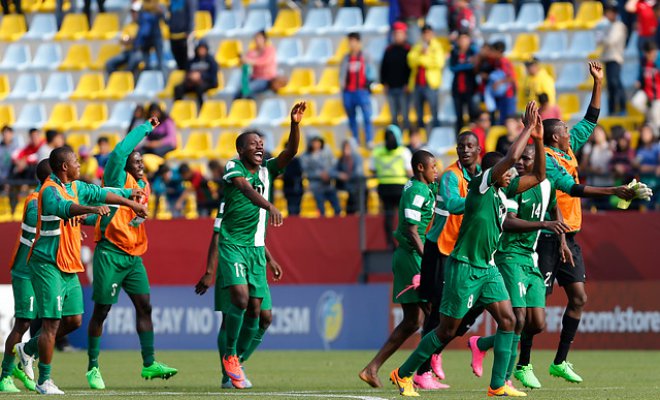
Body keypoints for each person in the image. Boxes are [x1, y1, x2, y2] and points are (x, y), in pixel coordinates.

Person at [389, 101, 546, 398]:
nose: (513, 174)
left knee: (509, 320)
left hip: (487, 269)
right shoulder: (482, 185)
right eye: (508, 171)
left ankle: (498, 384)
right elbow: (512, 156)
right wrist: (526, 127)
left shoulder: (502, 191)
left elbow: (538, 176)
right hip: (464, 268)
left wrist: (537, 140)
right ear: (494, 172)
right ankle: (404, 373)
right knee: (446, 330)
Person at [516, 63, 639, 388]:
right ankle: (523, 364)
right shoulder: (550, 162)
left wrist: (597, 82)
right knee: (534, 311)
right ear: (555, 137)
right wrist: (612, 190)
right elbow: (573, 189)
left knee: (579, 298)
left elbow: (591, 118)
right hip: (545, 238)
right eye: (567, 132)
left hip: (568, 236)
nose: (573, 133)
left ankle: (559, 362)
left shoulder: (568, 150)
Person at [13, 146, 148, 395]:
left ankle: (28, 349)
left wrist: (130, 199)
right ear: (64, 167)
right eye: (75, 161)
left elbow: (102, 192)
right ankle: (45, 380)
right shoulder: (48, 191)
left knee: (74, 320)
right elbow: (65, 209)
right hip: (47, 263)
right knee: (51, 323)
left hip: (69, 263)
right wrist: (91, 209)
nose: (79, 164)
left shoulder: (76, 187)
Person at [213, 102, 305, 388]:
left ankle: (236, 363)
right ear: (241, 149)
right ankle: (229, 357)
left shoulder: (268, 169)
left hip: (255, 250)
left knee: (262, 314)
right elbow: (243, 188)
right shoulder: (233, 166)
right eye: (253, 143)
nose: (259, 147)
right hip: (231, 245)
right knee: (241, 300)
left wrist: (295, 124)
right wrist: (270, 206)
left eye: (262, 143)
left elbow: (290, 152)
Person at [467, 144, 571, 390]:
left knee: (537, 323)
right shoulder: (513, 187)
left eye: (526, 158)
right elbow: (508, 222)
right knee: (518, 318)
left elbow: (555, 207)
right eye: (519, 158)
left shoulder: (547, 185)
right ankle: (504, 380)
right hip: (509, 255)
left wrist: (562, 241)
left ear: (538, 161)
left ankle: (482, 344)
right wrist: (543, 225)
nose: (520, 163)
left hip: (530, 259)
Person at [84, 117, 177, 390]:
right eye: (135, 160)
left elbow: (130, 218)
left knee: (145, 306)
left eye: (141, 161)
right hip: (110, 253)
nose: (140, 163)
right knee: (102, 311)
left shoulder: (143, 186)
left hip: (134, 256)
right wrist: (145, 128)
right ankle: (93, 367)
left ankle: (149, 364)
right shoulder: (115, 176)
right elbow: (119, 152)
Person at [410, 132, 485, 390]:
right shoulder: (451, 176)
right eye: (461, 146)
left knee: (472, 306)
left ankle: (436, 350)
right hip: (440, 248)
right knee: (437, 312)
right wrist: (479, 200)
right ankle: (422, 372)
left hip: (462, 252)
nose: (465, 150)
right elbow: (453, 203)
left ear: (479, 150)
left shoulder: (480, 176)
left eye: (470, 146)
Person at [360, 149, 438, 389]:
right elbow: (412, 230)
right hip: (412, 257)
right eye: (433, 166)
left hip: (412, 256)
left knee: (415, 320)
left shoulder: (421, 187)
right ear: (421, 168)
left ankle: (372, 369)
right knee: (435, 313)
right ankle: (419, 372)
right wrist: (428, 260)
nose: (437, 169)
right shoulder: (416, 191)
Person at [195, 198, 284, 389]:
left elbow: (254, 236)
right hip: (232, 261)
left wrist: (270, 259)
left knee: (266, 317)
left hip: (255, 261)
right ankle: (227, 375)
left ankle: (237, 363)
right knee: (229, 319)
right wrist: (210, 271)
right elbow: (217, 235)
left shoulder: (259, 199)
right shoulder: (230, 199)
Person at [0, 160, 50, 394]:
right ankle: (5, 375)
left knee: (56, 320)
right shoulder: (34, 204)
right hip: (26, 271)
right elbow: (38, 229)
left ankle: (25, 358)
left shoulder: (49, 199)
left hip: (41, 271)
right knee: (23, 323)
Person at [372, 125, 413, 249]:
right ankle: (403, 241)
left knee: (388, 216)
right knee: (404, 215)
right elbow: (409, 171)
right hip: (400, 186)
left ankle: (390, 243)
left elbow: (372, 169)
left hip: (384, 187)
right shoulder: (403, 152)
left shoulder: (377, 152)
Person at [340, 32, 376, 147]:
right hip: (349, 92)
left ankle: (369, 139)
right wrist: (343, 87)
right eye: (350, 42)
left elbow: (371, 70)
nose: (351, 44)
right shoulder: (346, 58)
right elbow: (342, 75)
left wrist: (369, 83)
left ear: (358, 42)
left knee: (367, 116)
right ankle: (355, 139)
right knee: (351, 118)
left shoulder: (365, 56)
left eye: (353, 41)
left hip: (362, 91)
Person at [408, 25, 444, 131]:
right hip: (417, 83)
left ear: (432, 34)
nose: (426, 35)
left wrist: (422, 58)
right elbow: (410, 61)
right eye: (424, 33)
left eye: (428, 33)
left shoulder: (437, 47)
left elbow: (439, 63)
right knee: (419, 112)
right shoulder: (418, 46)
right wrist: (424, 56)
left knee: (434, 111)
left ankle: (436, 134)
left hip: (430, 84)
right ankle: (421, 135)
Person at [381, 22, 412, 130]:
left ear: (405, 35)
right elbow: (383, 68)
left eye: (400, 33)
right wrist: (384, 83)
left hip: (403, 88)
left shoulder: (409, 50)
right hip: (391, 87)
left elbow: (411, 69)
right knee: (393, 116)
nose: (398, 36)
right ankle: (395, 138)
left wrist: (408, 83)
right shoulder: (389, 50)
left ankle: (407, 137)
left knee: (405, 115)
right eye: (396, 34)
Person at [301, 135, 341, 217]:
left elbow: (334, 165)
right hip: (316, 186)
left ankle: (338, 222)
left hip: (328, 184)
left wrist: (328, 174)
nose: (316, 144)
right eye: (314, 142)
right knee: (321, 208)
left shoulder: (327, 153)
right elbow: (305, 171)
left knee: (337, 207)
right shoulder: (305, 156)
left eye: (318, 141)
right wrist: (320, 174)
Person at [174, 40, 219, 109]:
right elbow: (187, 73)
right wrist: (191, 77)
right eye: (200, 49)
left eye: (203, 49)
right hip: (192, 82)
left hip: (207, 82)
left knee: (199, 88)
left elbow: (213, 75)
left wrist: (201, 76)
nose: (201, 50)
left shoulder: (211, 60)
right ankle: (178, 109)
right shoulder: (192, 61)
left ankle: (202, 109)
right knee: (178, 88)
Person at [600, 4, 627, 116]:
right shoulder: (609, 26)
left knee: (615, 84)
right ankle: (612, 110)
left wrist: (602, 37)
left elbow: (610, 41)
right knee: (611, 86)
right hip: (608, 58)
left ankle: (622, 108)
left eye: (609, 12)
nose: (607, 14)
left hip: (615, 58)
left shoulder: (619, 25)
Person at [450, 32, 479, 135]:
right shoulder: (454, 52)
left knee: (473, 115)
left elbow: (475, 65)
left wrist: (462, 65)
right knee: (459, 117)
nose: (463, 41)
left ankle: (474, 137)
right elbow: (452, 68)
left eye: (465, 39)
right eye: (461, 39)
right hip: (457, 89)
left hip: (470, 88)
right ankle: (459, 138)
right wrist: (467, 65)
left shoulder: (472, 51)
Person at [237, 31, 278, 99]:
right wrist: (243, 60)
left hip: (266, 79)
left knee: (248, 90)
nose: (257, 40)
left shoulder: (270, 50)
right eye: (256, 38)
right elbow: (246, 63)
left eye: (259, 38)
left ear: (264, 39)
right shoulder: (253, 51)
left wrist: (248, 60)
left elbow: (263, 61)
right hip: (254, 78)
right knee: (240, 91)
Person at [632, 41, 660, 131]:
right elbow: (641, 74)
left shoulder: (658, 62)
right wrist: (639, 81)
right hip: (646, 91)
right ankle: (648, 114)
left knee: (656, 120)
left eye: (654, 53)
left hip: (658, 95)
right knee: (635, 102)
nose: (653, 55)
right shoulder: (643, 61)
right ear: (646, 53)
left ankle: (656, 137)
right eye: (651, 53)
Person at [489, 41, 517, 125]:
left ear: (499, 51)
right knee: (502, 120)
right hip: (502, 95)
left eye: (493, 51)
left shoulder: (504, 62)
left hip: (508, 95)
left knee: (508, 120)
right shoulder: (497, 62)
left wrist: (498, 83)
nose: (491, 53)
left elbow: (511, 78)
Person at [335, 137, 364, 215]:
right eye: (345, 147)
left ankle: (358, 213)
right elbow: (332, 171)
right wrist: (340, 175)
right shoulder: (341, 159)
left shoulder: (357, 158)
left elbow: (358, 173)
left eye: (348, 147)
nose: (346, 150)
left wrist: (347, 176)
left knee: (357, 192)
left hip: (355, 185)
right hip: (345, 186)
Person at [634, 124, 660, 207]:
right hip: (645, 186)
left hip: (658, 185)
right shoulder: (640, 150)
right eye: (643, 132)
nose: (644, 134)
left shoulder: (657, 147)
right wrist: (654, 168)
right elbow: (638, 166)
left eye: (647, 132)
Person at [168, 0, 196, 70]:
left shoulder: (188, 1)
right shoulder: (172, 2)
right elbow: (170, 16)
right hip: (174, 35)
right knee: (178, 60)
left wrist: (189, 31)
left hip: (184, 35)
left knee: (187, 60)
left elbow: (191, 15)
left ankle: (188, 78)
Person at [282, 151, 303, 216]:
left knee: (296, 208)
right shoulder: (284, 160)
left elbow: (299, 172)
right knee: (291, 208)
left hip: (296, 187)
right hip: (289, 187)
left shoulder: (296, 160)